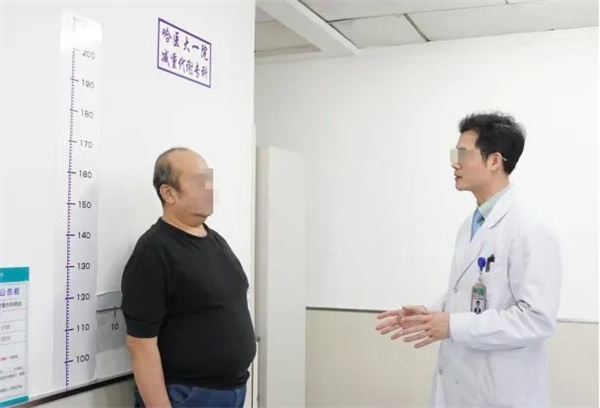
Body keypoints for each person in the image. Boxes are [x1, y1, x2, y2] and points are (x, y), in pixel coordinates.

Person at [376, 112, 561, 407]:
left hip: (502, 394)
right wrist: (429, 314)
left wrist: (453, 326)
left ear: (494, 161)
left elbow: (536, 320)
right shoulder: (470, 225)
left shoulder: (529, 227)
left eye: (463, 154)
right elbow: (471, 294)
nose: (454, 163)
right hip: (462, 386)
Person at [122, 147, 256, 408]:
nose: (209, 188)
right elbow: (140, 344)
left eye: (209, 179)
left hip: (232, 391)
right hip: (187, 395)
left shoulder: (217, 242)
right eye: (198, 181)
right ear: (168, 193)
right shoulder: (153, 251)